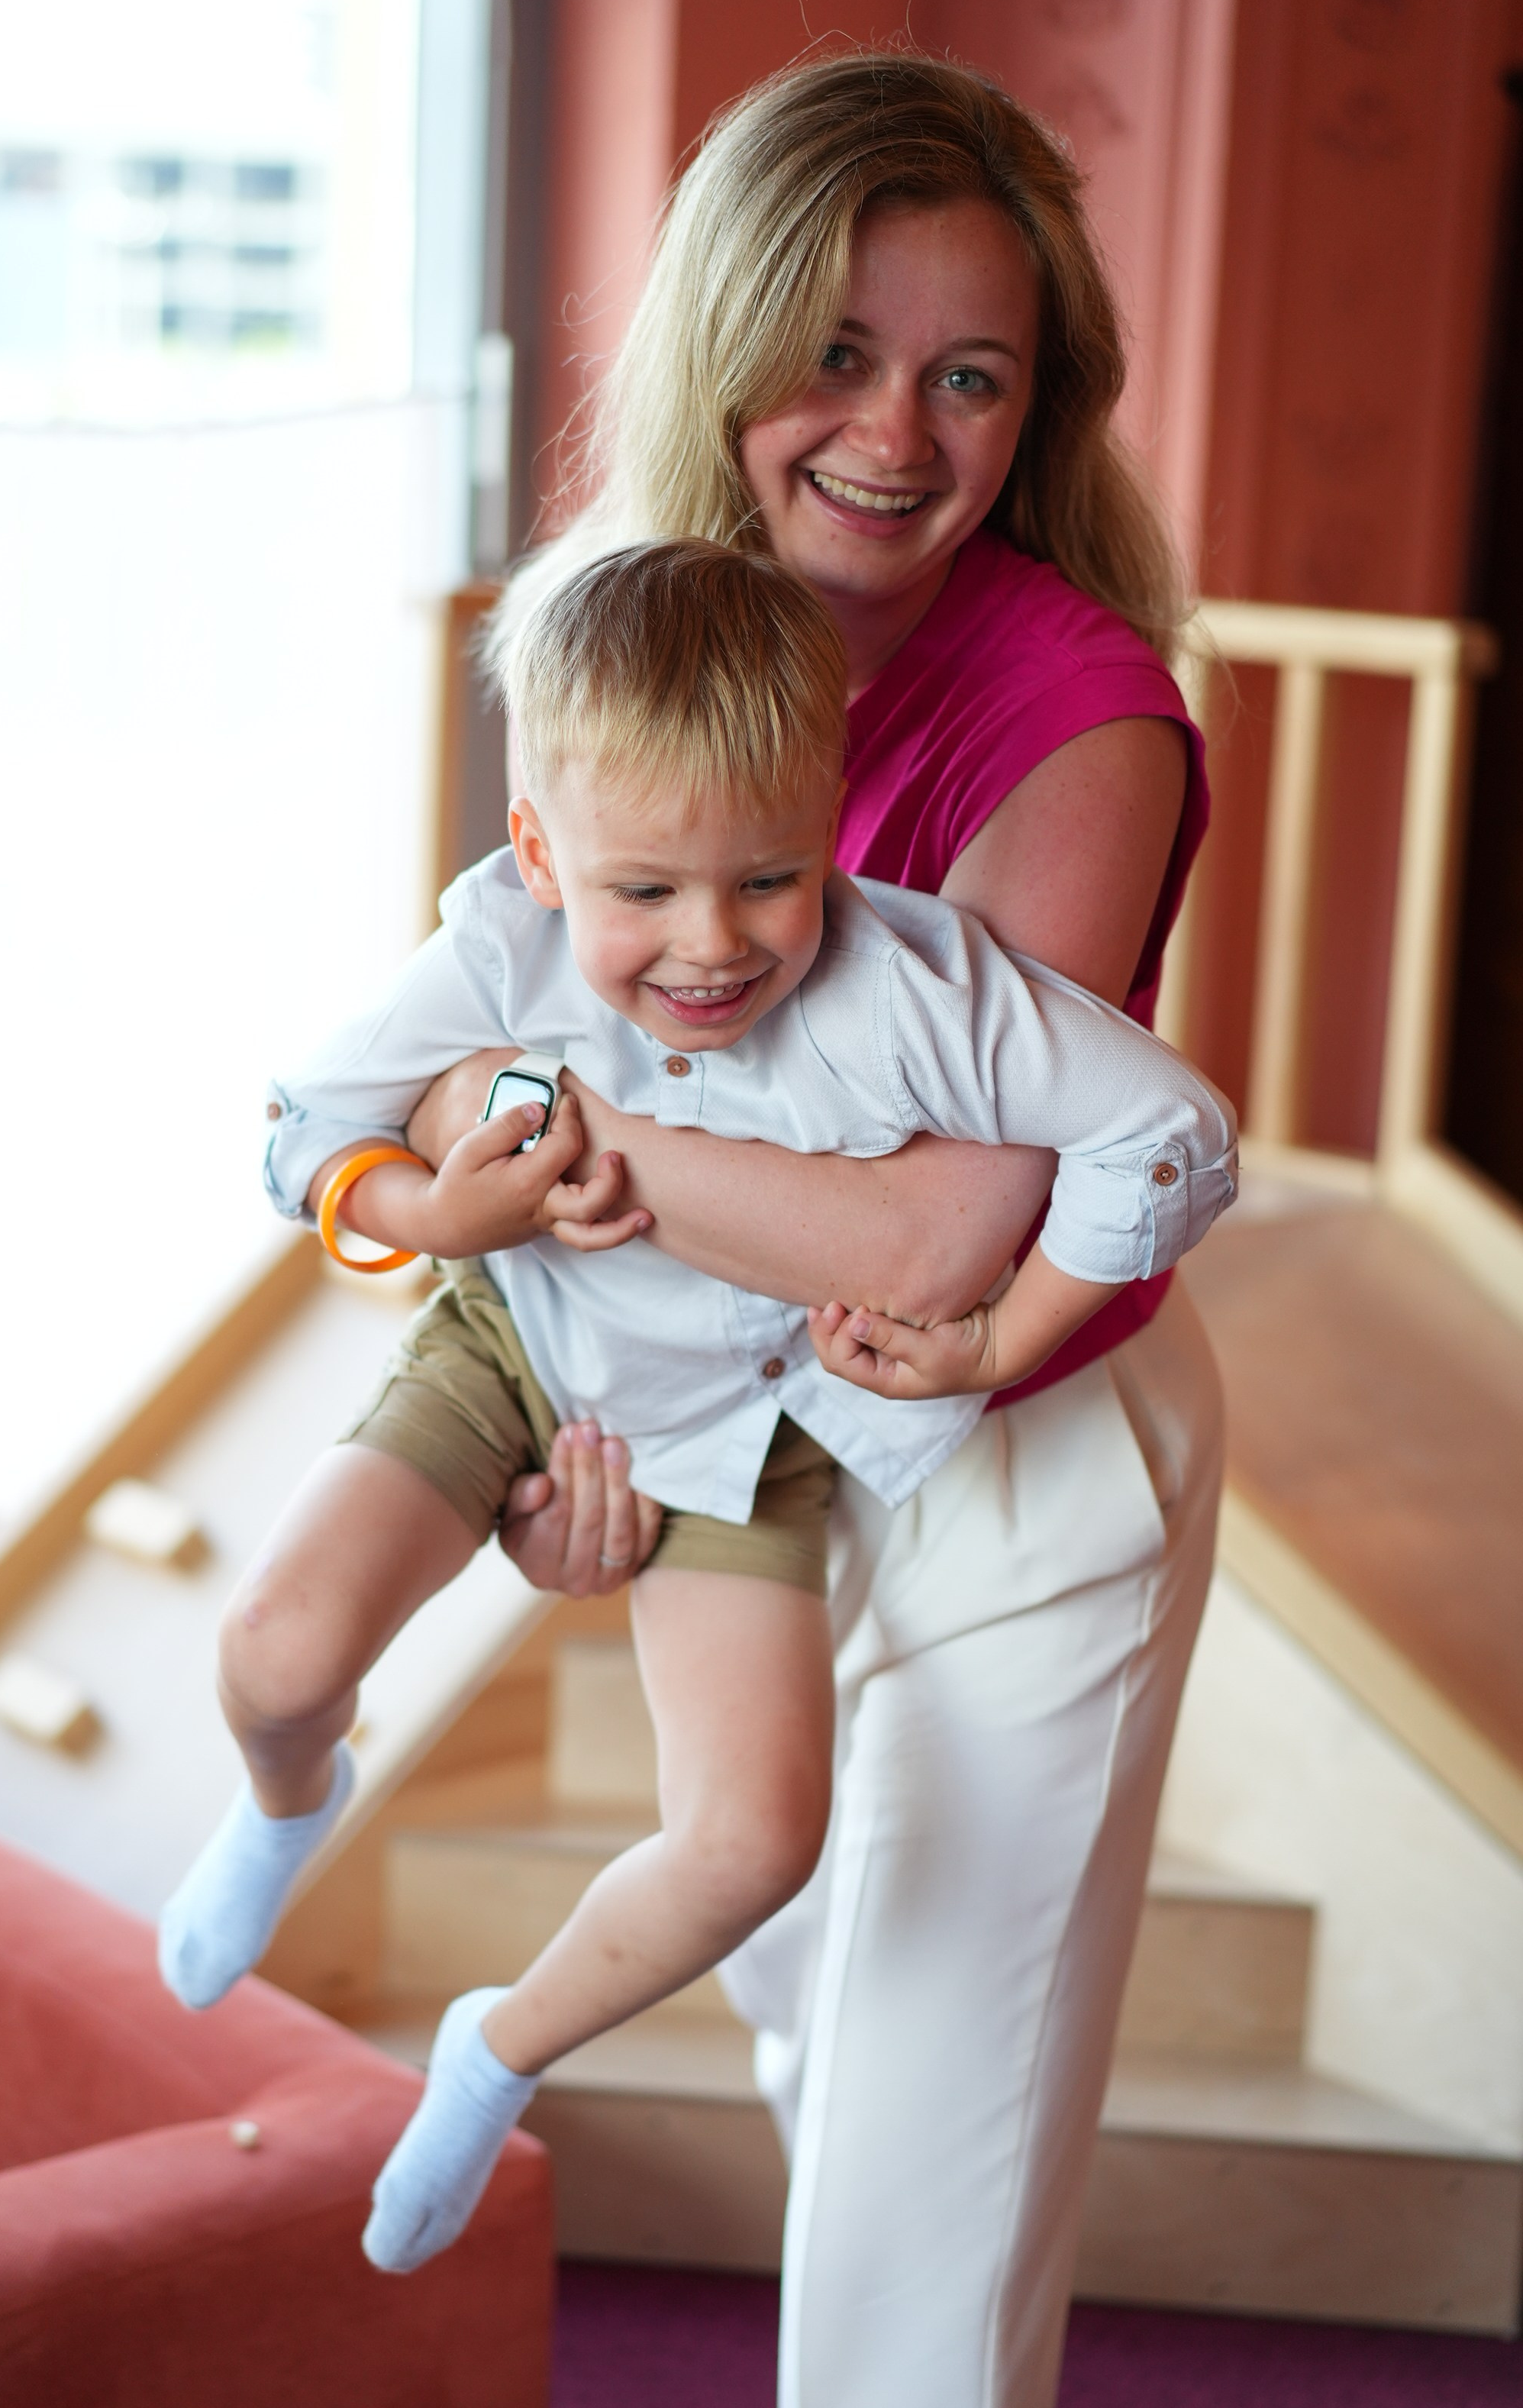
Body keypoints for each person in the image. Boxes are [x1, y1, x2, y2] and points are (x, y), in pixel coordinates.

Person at [401, 51, 1225, 2408]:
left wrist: (556, 1168)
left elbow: (920, 1244)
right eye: (838, 353)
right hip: (743, 1445)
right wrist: (564, 1434)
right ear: (719, 345)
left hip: (1003, 1463)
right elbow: (486, 1022)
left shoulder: (1073, 714)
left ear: (1033, 409)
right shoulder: (639, 635)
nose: (894, 430)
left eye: (967, 375)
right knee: (776, 1986)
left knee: (912, 2179)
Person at [156, 538, 1234, 2287]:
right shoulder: (497, 948)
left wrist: (998, 1334)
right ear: (538, 857)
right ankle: (288, 1802)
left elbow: (1168, 1131)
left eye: (771, 878)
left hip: (742, 1431)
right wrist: (439, 1213)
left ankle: (495, 2050)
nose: (713, 947)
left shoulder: (920, 990)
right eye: (641, 893)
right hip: (509, 1347)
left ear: (831, 821)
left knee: (755, 1841)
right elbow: (295, 1129)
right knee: (276, 1652)